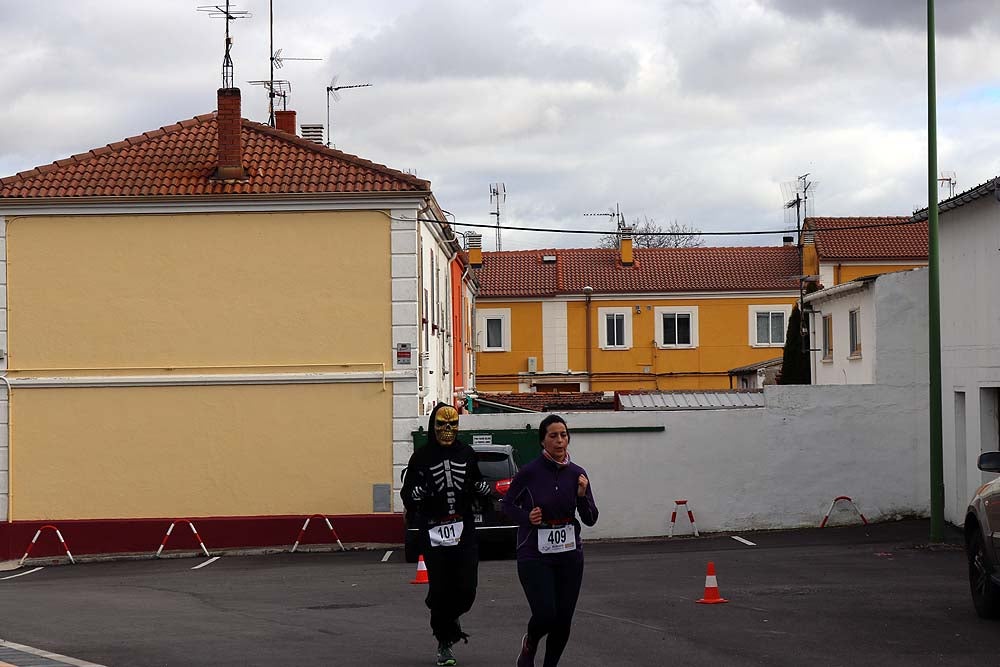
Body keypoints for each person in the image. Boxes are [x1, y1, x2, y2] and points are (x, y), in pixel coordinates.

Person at [502, 414, 598, 667]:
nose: (559, 440)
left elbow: (590, 518)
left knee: (563, 620)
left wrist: (581, 495)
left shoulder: (578, 474)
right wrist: (527, 517)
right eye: (553, 435)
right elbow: (507, 505)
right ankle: (530, 643)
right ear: (542, 441)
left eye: (563, 435)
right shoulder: (529, 473)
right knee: (545, 615)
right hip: (534, 553)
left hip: (569, 555)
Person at [401, 402, 493, 666]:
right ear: (433, 426)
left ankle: (448, 613)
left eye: (453, 424)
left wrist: (482, 490)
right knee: (441, 589)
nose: (448, 429)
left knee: (467, 588)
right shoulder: (421, 457)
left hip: (463, 530)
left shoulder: (466, 453)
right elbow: (408, 492)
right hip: (434, 531)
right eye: (442, 424)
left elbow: (476, 482)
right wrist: (415, 497)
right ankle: (444, 641)